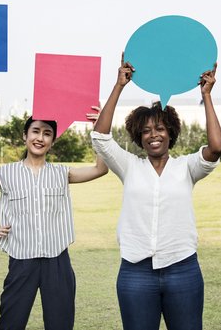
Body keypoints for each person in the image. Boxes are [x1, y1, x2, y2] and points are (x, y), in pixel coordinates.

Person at [90, 53, 221, 330]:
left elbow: (216, 147)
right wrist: (119, 85)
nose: (154, 135)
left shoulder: (187, 167)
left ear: (171, 133)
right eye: (146, 130)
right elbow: (100, 137)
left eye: (160, 128)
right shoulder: (129, 166)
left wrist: (207, 95)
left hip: (182, 269)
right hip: (135, 272)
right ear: (139, 136)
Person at [0, 114, 108, 330]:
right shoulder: (5, 173)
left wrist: (99, 130)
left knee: (60, 324)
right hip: (22, 261)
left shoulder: (62, 173)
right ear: (25, 135)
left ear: (52, 141)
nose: (40, 138)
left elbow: (100, 169)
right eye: (36, 131)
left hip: (57, 261)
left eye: (47, 133)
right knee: (10, 323)